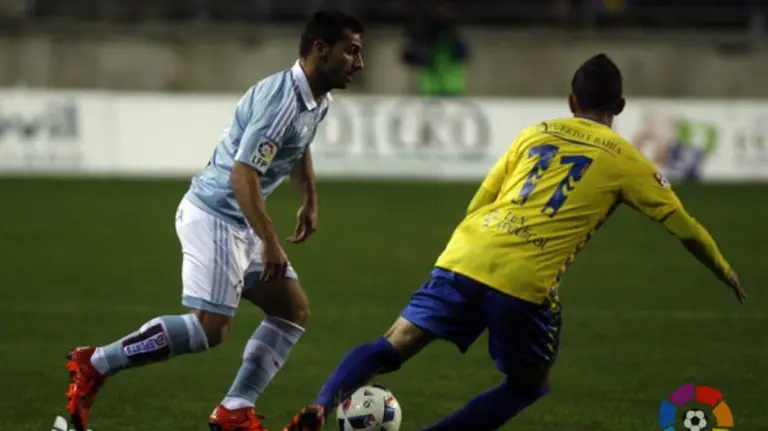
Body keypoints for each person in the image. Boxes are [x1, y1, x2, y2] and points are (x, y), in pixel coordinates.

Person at [282, 53, 747, 431]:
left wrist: (466, 256)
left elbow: (482, 199)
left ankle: (322, 405)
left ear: (570, 100)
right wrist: (722, 267)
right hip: (524, 281)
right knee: (529, 384)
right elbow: (681, 223)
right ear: (620, 107)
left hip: (467, 253)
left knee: (393, 344)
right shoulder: (628, 161)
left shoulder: (535, 133)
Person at [63, 10, 364, 431]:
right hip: (217, 216)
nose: (359, 62)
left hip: (241, 220)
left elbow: (299, 145)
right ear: (320, 49)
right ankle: (94, 363)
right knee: (210, 330)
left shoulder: (317, 99)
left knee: (291, 310)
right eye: (351, 51)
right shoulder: (282, 101)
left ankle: (235, 410)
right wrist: (271, 241)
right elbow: (243, 175)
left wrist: (309, 198)